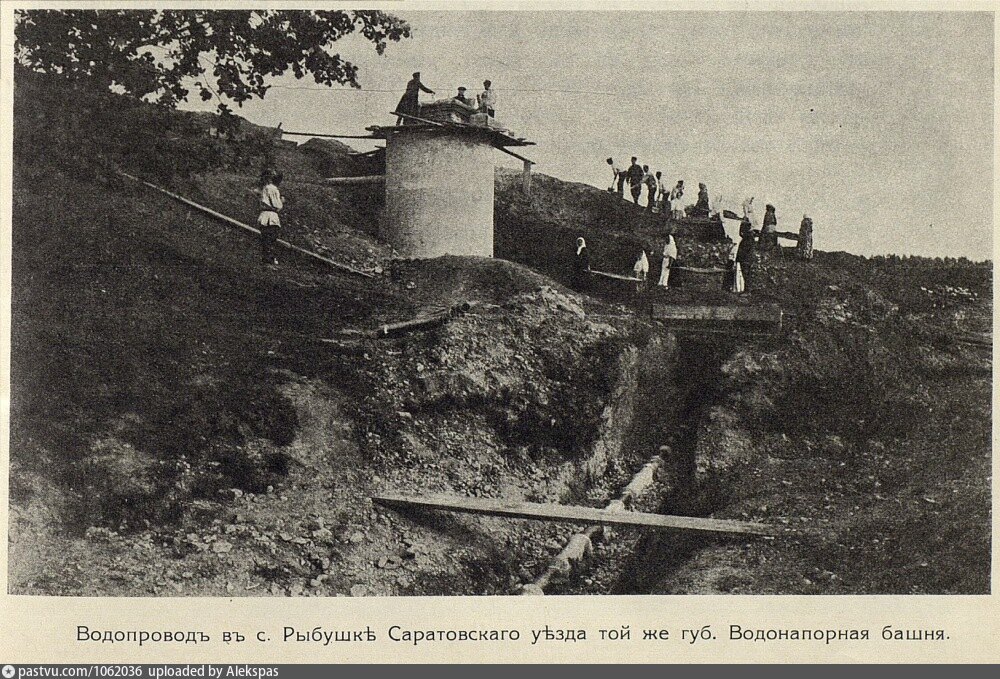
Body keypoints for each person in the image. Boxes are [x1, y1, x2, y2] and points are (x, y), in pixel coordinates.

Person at [258, 169, 284, 265]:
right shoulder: (272, 189)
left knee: (267, 238)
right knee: (270, 238)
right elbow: (277, 205)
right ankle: (268, 260)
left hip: (266, 216)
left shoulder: (266, 188)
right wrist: (281, 201)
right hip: (270, 217)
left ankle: (267, 259)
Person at [735, 219, 756, 293]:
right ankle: (747, 290)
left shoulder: (748, 238)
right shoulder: (748, 237)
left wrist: (739, 258)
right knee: (746, 274)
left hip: (746, 259)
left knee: (746, 275)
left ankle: (747, 291)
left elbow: (744, 250)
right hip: (746, 259)